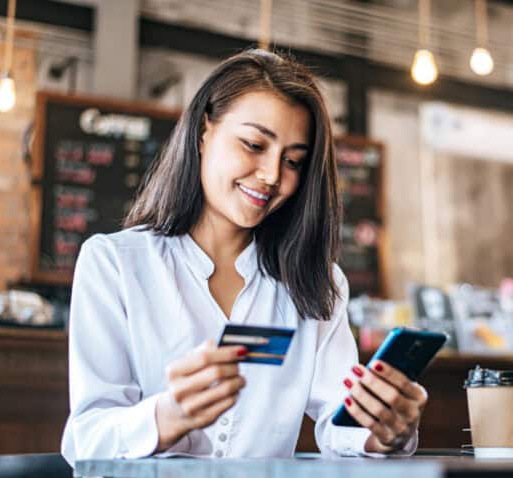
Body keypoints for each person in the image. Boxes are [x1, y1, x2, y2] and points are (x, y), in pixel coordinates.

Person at [61, 49, 428, 464]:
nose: (273, 175)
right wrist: (167, 416)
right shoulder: (115, 263)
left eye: (292, 161)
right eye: (254, 144)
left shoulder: (315, 283)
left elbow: (339, 424)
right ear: (204, 131)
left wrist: (384, 432)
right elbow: (86, 439)